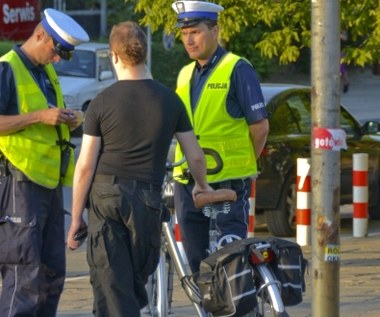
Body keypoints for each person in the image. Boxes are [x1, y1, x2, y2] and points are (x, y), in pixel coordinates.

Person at [66, 21, 213, 316]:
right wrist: (202, 186)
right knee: (132, 284)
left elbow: (85, 166)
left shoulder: (101, 102)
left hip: (106, 197)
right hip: (147, 199)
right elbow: (195, 156)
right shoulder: (170, 101)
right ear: (145, 54)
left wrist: (76, 218)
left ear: (114, 57)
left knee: (111, 286)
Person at [0, 8, 88, 317]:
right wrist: (41, 116)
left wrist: (68, 119)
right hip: (19, 186)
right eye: (57, 50)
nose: (59, 59)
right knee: (24, 274)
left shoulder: (44, 71)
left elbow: (47, 116)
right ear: (40, 35)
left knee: (51, 274)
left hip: (47, 186)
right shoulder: (7, 69)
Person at [171, 0, 270, 274]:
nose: (189, 40)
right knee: (195, 259)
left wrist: (242, 161)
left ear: (215, 31)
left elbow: (260, 127)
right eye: (184, 34)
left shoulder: (237, 69)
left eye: (196, 32)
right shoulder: (184, 74)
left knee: (232, 257)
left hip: (227, 179)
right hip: (188, 178)